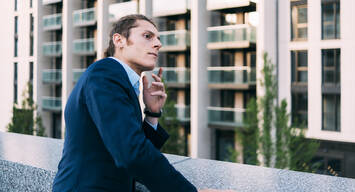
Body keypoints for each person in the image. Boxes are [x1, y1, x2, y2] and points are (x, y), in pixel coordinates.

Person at [53, 14, 230, 192]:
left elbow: (130, 151)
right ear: (119, 40)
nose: (158, 44)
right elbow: (132, 153)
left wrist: (152, 114)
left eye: (158, 39)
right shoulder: (105, 74)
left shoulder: (118, 79)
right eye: (147, 36)